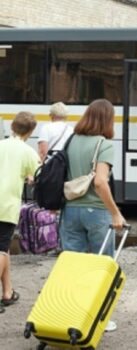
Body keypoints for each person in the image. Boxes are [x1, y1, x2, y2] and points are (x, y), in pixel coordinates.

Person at [59, 99, 126, 331]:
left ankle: (72, 315)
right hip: (96, 212)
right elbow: (100, 181)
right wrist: (115, 213)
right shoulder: (104, 144)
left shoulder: (71, 141)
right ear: (107, 119)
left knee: (72, 266)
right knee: (101, 267)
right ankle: (98, 318)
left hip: (70, 210)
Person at [0, 112, 40, 314]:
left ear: (12, 127)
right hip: (6, 205)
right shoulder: (28, 152)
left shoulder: (0, 145)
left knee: (4, 248)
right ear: (31, 132)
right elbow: (37, 176)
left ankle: (7, 292)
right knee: (1, 247)